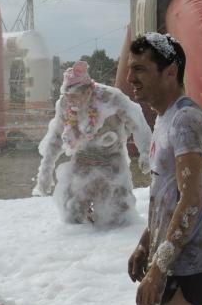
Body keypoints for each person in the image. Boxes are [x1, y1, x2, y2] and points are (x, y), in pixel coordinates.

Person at [126, 33, 202, 305]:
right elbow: (164, 195)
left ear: (170, 71)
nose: (131, 77)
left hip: (183, 263)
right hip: (163, 257)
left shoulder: (186, 121)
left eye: (141, 69)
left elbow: (190, 200)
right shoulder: (164, 118)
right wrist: (144, 245)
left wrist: (160, 267)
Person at [34, 60, 151, 227]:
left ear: (89, 90)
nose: (71, 101)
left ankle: (112, 242)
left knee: (118, 216)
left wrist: (146, 151)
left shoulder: (111, 98)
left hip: (111, 158)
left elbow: (137, 122)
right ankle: (81, 242)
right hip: (83, 157)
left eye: (75, 96)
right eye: (67, 96)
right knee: (73, 213)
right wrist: (45, 171)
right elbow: (56, 137)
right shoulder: (65, 104)